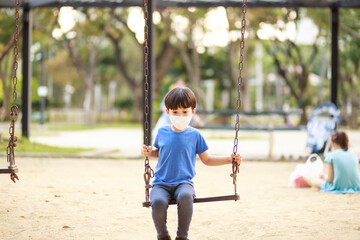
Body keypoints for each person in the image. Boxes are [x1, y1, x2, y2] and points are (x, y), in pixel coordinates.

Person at [142, 87, 242, 240]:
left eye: (184, 112)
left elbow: (207, 159)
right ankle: (163, 236)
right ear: (167, 112)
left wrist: (229, 159)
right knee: (158, 201)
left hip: (184, 182)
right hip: (161, 182)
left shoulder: (195, 135)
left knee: (185, 197)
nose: (179, 116)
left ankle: (182, 236)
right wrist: (149, 152)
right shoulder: (162, 132)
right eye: (175, 112)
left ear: (193, 112)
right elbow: (159, 152)